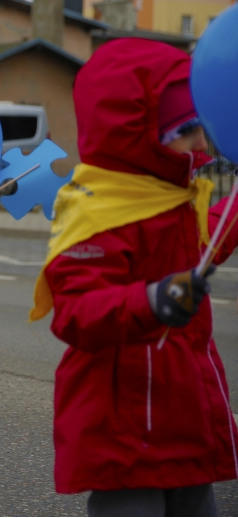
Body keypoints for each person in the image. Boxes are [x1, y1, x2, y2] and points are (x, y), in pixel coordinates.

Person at [35, 39, 238, 517]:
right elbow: (77, 312)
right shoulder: (96, 209)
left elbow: (214, 236)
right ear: (138, 129)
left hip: (184, 412)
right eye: (185, 130)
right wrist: (152, 300)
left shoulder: (175, 201)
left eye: (200, 126)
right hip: (124, 427)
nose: (201, 144)